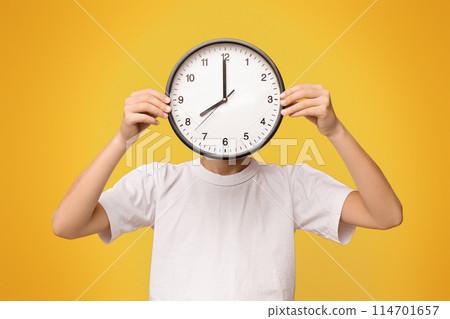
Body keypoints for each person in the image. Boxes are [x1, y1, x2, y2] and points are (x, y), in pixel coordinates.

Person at [52, 84, 402, 300]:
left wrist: (336, 131)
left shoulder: (290, 185)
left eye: (240, 113)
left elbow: (386, 215)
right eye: (214, 110)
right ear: (185, 117)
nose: (226, 122)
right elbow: (67, 224)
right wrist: (121, 138)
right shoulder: (159, 183)